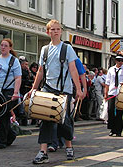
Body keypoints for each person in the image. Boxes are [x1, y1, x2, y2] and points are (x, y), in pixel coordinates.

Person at [27, 19, 83, 164]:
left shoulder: (67, 49)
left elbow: (73, 69)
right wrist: (33, 89)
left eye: (58, 29)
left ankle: (69, 146)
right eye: (52, 29)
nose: (55, 31)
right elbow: (40, 71)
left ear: (61, 31)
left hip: (64, 90)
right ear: (48, 32)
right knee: (45, 121)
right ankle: (43, 152)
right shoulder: (44, 49)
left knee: (64, 121)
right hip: (47, 89)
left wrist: (78, 89)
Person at [0, 38, 21, 149]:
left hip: (8, 91)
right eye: (1, 45)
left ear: (10, 48)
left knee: (3, 115)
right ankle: (11, 134)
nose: (3, 47)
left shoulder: (14, 61)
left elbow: (18, 77)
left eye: (5, 45)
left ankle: (0, 141)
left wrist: (15, 92)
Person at [105, 54, 123, 137]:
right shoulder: (111, 69)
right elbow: (107, 82)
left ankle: (118, 130)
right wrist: (106, 93)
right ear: (115, 61)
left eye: (122, 61)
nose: (120, 62)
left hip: (120, 92)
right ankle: (112, 129)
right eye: (119, 60)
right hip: (112, 92)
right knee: (110, 111)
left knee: (119, 112)